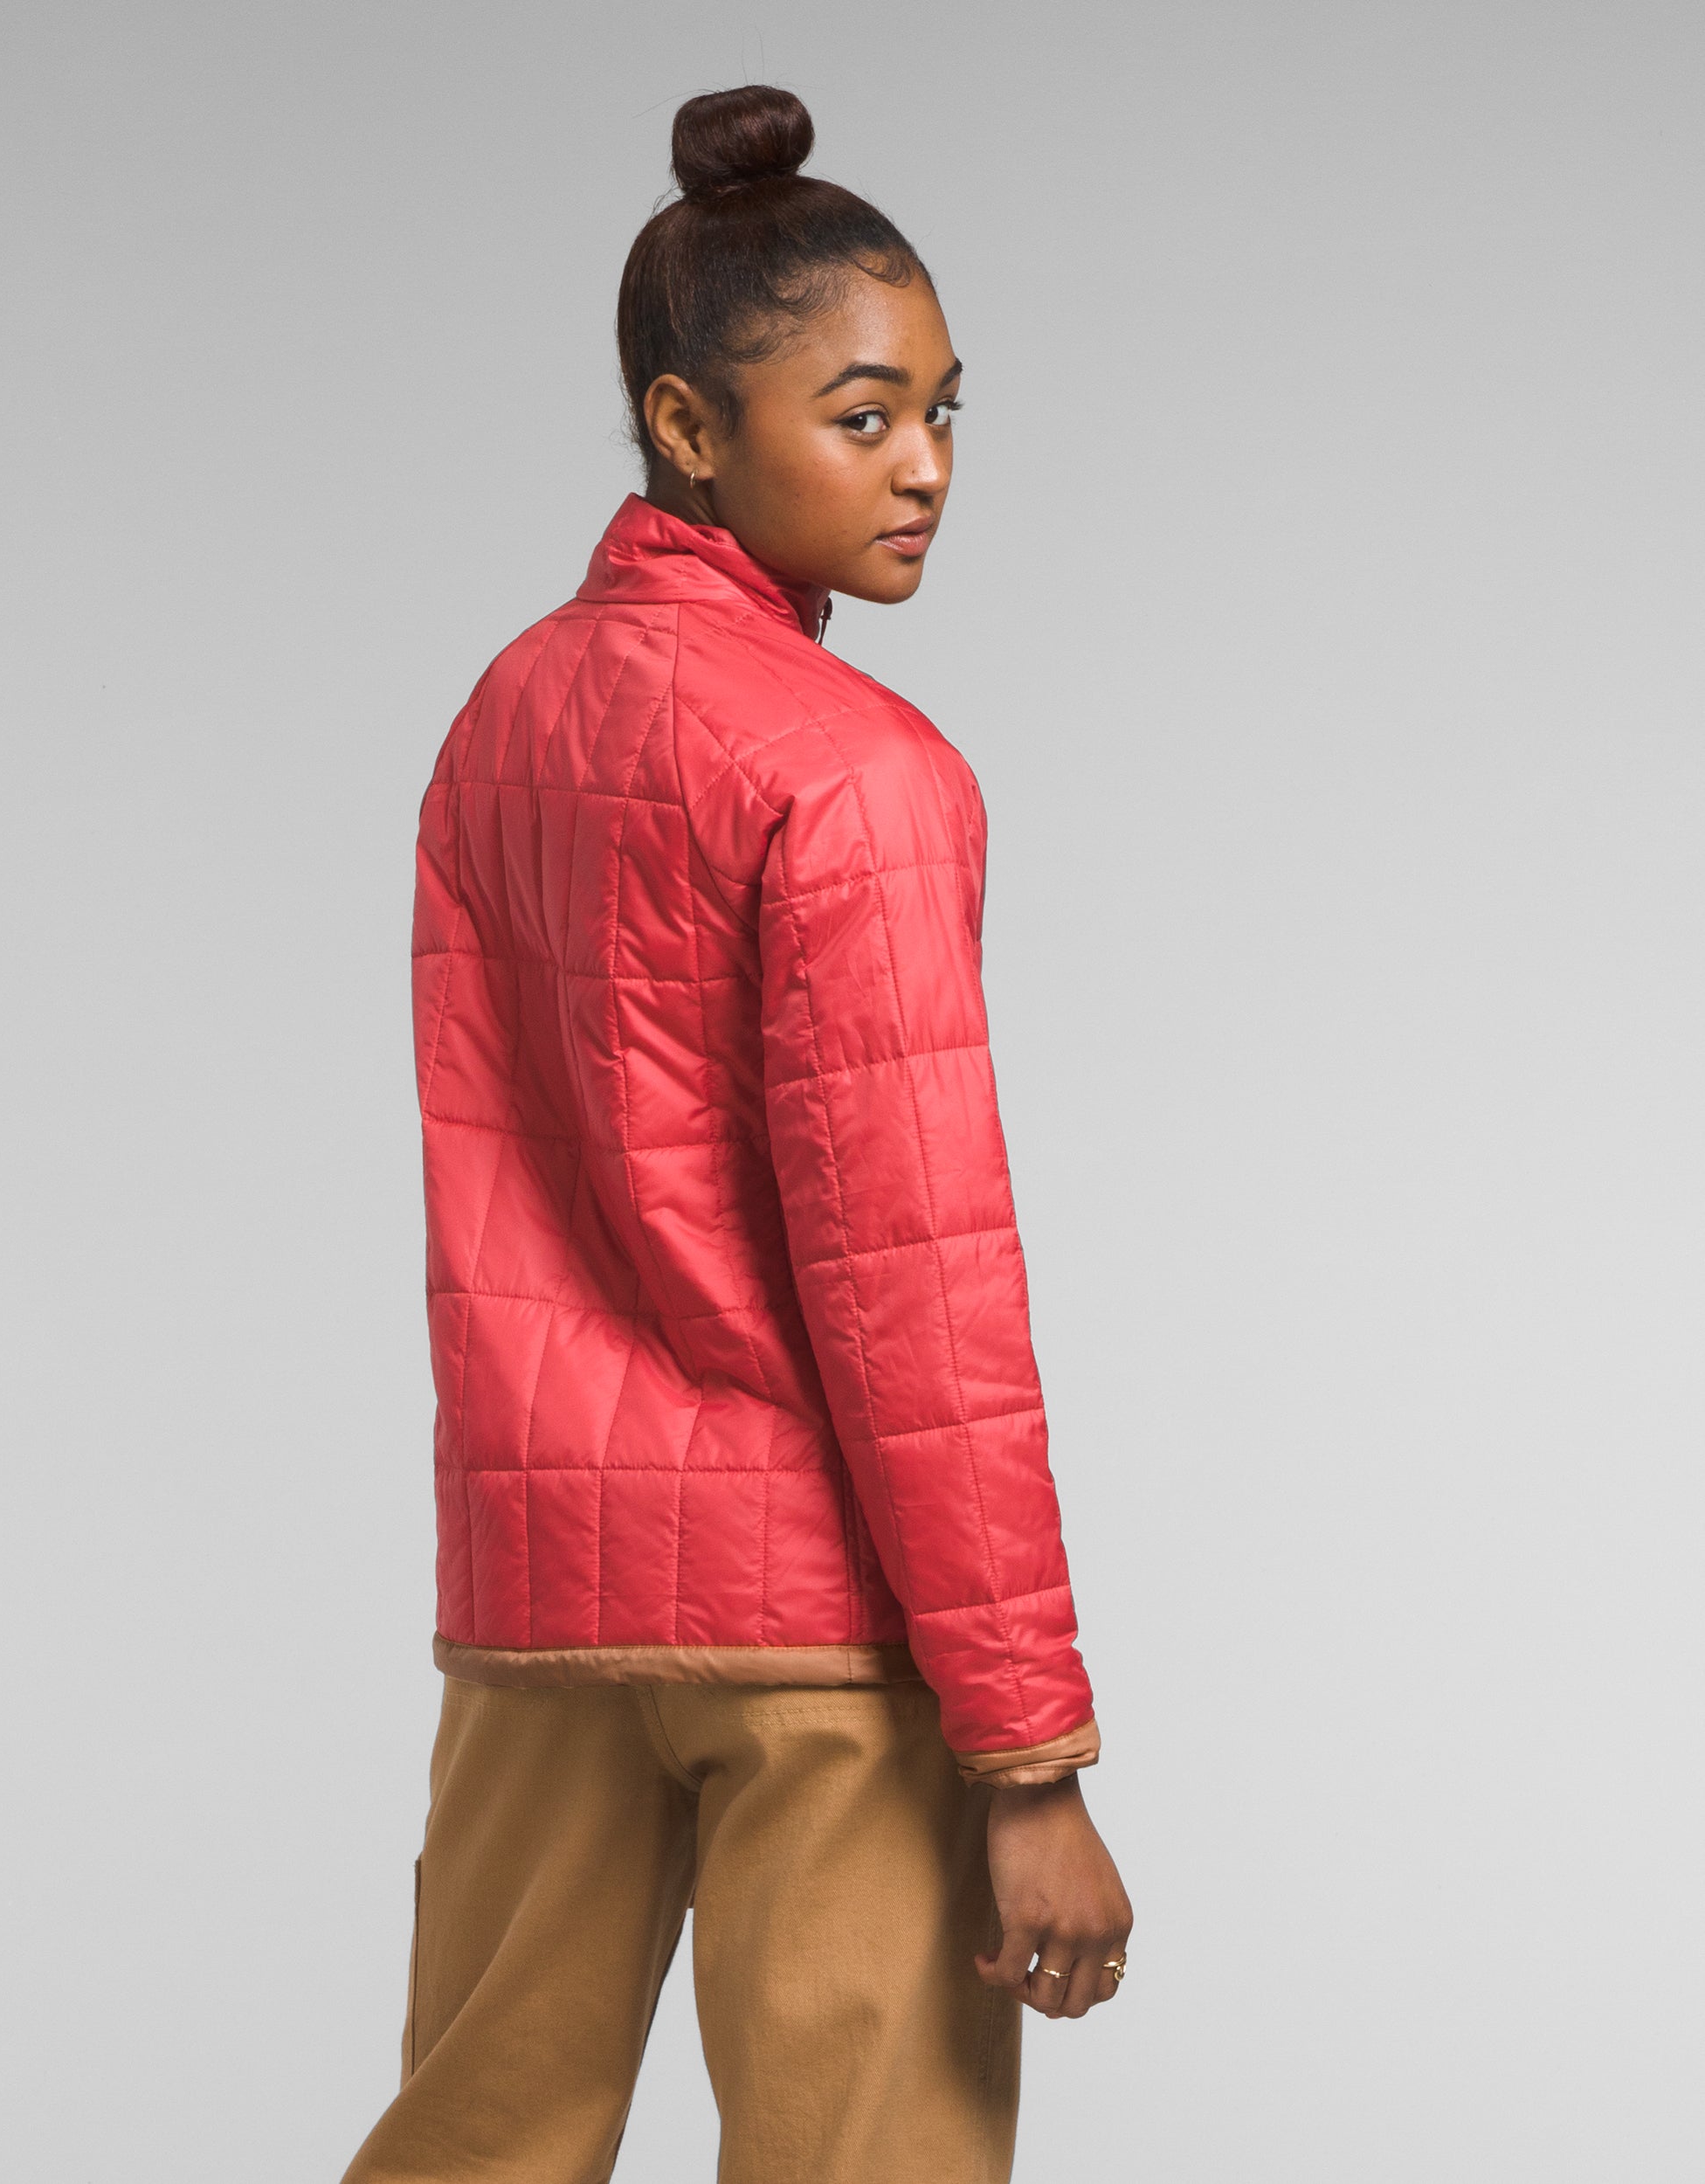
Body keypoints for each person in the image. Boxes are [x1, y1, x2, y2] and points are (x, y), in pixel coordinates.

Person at [342, 84, 1132, 2184]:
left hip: (539, 1602)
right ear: (687, 426)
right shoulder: (857, 772)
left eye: (944, 413)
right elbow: (918, 1281)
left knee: (470, 2149)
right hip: (818, 1627)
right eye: (863, 418)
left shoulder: (503, 716)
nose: (927, 465)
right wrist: (1028, 1751)